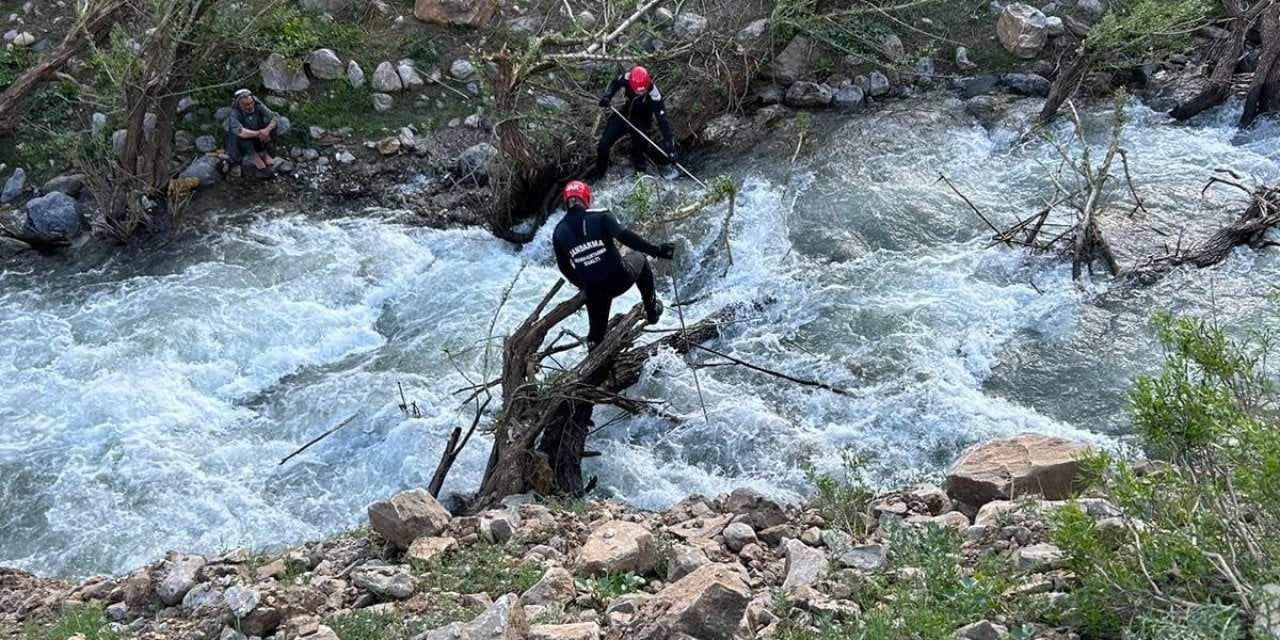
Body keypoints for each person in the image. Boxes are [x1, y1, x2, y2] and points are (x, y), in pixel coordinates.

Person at [553, 180, 676, 350]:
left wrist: (584, 286)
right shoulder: (601, 215)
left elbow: (564, 267)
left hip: (595, 292)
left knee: (596, 336)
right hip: (619, 279)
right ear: (587, 198)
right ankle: (651, 310)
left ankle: (596, 363)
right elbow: (625, 236)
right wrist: (657, 250)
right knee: (640, 258)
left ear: (566, 203)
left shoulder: (558, 231)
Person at [593, 65, 676, 178]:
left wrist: (669, 146)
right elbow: (615, 83)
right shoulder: (627, 78)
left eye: (642, 91)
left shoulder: (654, 95)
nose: (640, 93)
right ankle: (600, 174)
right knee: (603, 144)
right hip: (624, 115)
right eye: (637, 90)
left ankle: (640, 178)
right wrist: (607, 96)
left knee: (639, 156)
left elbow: (663, 121)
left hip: (642, 122)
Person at [225, 89, 278, 172]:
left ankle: (264, 153)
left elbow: (274, 117)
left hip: (261, 135)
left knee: (272, 124)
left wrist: (266, 130)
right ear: (239, 105)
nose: (250, 106)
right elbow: (239, 131)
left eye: (251, 103)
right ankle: (254, 155)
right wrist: (259, 133)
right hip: (246, 139)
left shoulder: (258, 106)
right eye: (246, 104)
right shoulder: (235, 113)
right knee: (241, 136)